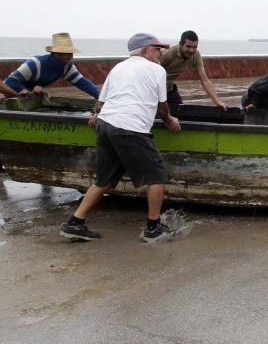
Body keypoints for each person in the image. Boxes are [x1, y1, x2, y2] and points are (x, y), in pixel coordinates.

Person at [59, 33, 182, 242]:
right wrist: (169, 120)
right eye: (156, 49)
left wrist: (97, 116)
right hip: (130, 127)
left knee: (104, 180)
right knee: (157, 176)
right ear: (145, 51)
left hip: (106, 125)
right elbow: (162, 106)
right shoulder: (157, 70)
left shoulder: (118, 68)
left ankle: (75, 223)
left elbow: (100, 104)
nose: (160, 53)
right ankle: (153, 228)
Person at [0, 33, 100, 173]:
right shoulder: (35, 63)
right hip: (12, 95)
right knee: (7, 131)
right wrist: (24, 90)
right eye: (66, 54)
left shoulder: (67, 66)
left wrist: (101, 97)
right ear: (55, 53)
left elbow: (83, 83)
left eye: (71, 53)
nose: (70, 57)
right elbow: (10, 81)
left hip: (31, 97)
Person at [160, 30, 228, 109]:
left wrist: (217, 102)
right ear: (180, 44)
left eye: (194, 47)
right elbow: (150, 75)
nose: (191, 50)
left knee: (181, 112)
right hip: (153, 90)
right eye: (188, 46)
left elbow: (205, 80)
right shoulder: (168, 54)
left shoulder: (196, 56)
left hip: (169, 89)